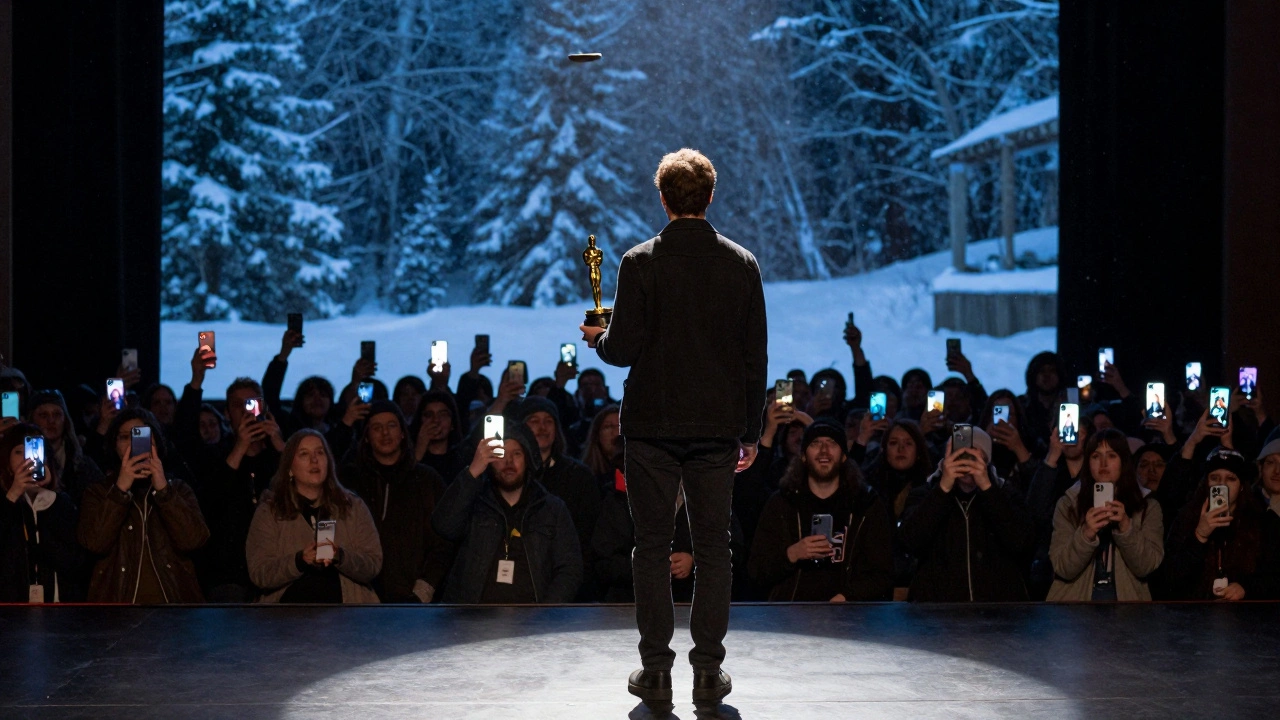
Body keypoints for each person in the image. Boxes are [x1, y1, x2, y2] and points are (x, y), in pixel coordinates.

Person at [579, 148, 766, 708]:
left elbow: (625, 348)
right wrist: (751, 432)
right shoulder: (741, 264)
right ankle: (708, 671)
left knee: (651, 547)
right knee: (714, 549)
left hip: (653, 428)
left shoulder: (639, 263)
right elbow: (753, 357)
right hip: (715, 429)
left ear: (663, 199)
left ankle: (655, 670)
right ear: (710, 197)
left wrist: (599, 340)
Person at [431, 423, 582, 604]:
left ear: (528, 459)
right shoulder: (473, 503)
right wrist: (472, 472)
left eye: (516, 454)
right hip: (473, 622)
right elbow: (443, 525)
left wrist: (545, 614)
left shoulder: (552, 509)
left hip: (533, 623)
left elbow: (570, 569)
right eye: (500, 453)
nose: (509, 462)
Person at [748, 421, 892, 602]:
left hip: (851, 617)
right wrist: (792, 554)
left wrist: (848, 597)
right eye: (815, 444)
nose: (824, 450)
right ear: (803, 456)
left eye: (832, 443)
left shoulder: (865, 504)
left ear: (844, 456)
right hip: (790, 615)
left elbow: (882, 573)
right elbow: (756, 571)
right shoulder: (783, 503)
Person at [77, 410, 209, 603]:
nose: (132, 443)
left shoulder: (178, 489)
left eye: (140, 435)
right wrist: (120, 489)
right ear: (114, 445)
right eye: (124, 437)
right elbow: (94, 544)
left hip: (173, 611)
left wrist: (163, 490)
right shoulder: (98, 492)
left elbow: (194, 541)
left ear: (155, 442)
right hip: (118, 612)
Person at [246, 430, 383, 603]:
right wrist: (299, 561)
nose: (314, 460)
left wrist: (341, 556)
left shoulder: (353, 507)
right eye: (304, 454)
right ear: (289, 467)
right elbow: (260, 573)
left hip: (347, 618)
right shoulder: (271, 512)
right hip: (286, 619)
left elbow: (373, 564)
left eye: (320, 452)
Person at [899, 428, 1035, 601]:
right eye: (960, 455)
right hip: (937, 613)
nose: (967, 462)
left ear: (986, 460)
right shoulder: (926, 493)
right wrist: (943, 489)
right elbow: (909, 542)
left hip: (996, 613)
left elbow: (1022, 543)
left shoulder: (1005, 494)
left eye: (974, 456)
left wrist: (987, 488)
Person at [340, 401, 452, 603]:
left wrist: (424, 589)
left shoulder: (426, 480)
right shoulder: (350, 480)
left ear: (402, 433)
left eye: (391, 425)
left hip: (413, 601)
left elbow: (444, 541)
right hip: (359, 599)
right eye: (377, 427)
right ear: (366, 437)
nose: (385, 433)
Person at [1046, 429, 1164, 601]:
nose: (1103, 463)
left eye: (1111, 456)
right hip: (1076, 606)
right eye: (1095, 456)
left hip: (1127, 607)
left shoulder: (1147, 507)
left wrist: (1125, 527)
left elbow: (1146, 566)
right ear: (1088, 463)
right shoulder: (1068, 504)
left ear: (1123, 461)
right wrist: (1086, 534)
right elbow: (1062, 567)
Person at [1163, 447, 1280, 600]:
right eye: (1215, 478)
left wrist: (1246, 587)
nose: (1221, 485)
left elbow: (1274, 575)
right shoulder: (1187, 518)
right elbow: (1170, 579)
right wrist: (1199, 536)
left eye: (1230, 478)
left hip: (1245, 616)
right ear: (1206, 483)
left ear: (1241, 486)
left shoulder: (1263, 521)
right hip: (1195, 615)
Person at [0, 425, 84, 602]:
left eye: (33, 451)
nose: (26, 458)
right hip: (11, 610)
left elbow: (72, 562)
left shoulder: (61, 503)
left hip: (57, 606)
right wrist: (14, 494)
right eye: (18, 452)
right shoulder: (6, 503)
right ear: (7, 462)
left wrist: (46, 500)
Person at [27, 390, 105, 506]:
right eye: (44, 415)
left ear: (65, 420)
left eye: (57, 415)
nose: (51, 421)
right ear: (32, 420)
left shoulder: (83, 465)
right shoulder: (21, 464)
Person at [409, 390, 467, 483]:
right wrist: (419, 449)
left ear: (452, 423)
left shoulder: (463, 460)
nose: (436, 420)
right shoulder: (406, 456)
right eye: (429, 415)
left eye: (443, 415)